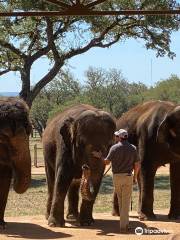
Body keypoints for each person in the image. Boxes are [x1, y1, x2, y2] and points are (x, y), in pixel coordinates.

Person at [93, 129, 140, 233]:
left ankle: (124, 224)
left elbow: (106, 162)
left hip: (117, 177)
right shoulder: (133, 148)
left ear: (120, 137)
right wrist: (135, 177)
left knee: (120, 200)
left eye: (116, 136)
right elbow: (137, 164)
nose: (115, 137)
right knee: (126, 202)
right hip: (128, 176)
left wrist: (100, 156)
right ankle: (124, 225)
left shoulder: (114, 148)